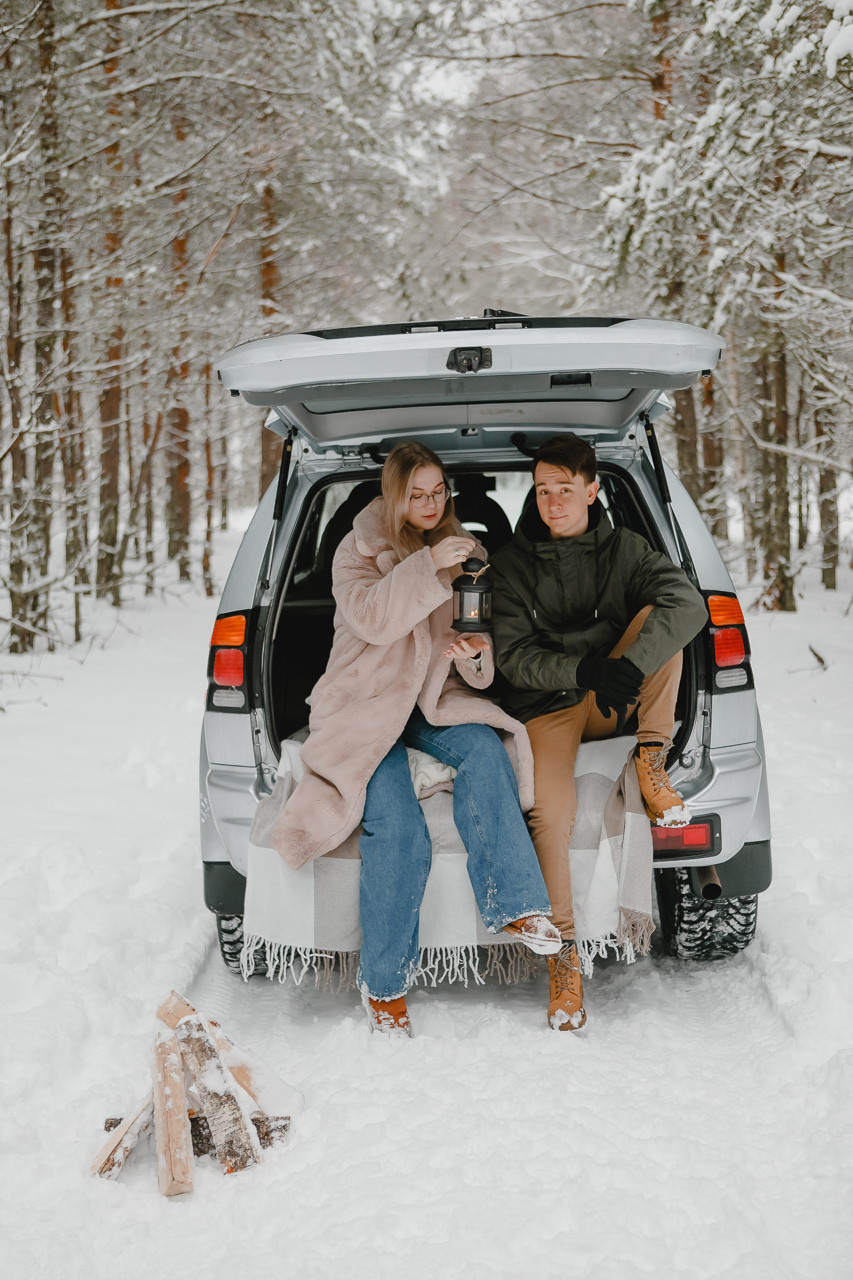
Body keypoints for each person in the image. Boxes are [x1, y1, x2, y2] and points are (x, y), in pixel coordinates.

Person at [268, 440, 560, 1037]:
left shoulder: (466, 554)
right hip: (365, 704)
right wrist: (428, 566)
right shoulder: (356, 551)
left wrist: (476, 659)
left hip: (427, 700)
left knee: (484, 745)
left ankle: (518, 906)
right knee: (399, 828)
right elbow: (375, 619)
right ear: (393, 494)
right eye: (417, 494)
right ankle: (385, 985)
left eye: (439, 492)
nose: (430, 504)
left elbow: (476, 650)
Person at [490, 434, 708, 1032]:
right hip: (547, 708)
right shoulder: (510, 565)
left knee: (661, 621)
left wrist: (626, 670)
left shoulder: (625, 550)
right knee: (551, 815)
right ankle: (564, 956)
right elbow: (511, 658)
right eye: (542, 491)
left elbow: (690, 606)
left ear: (592, 489)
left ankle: (651, 758)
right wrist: (584, 670)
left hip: (615, 698)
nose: (553, 503)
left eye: (565, 490)